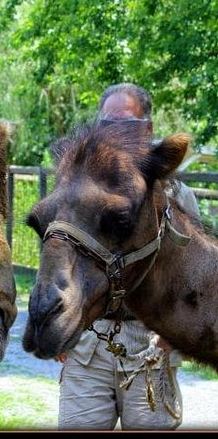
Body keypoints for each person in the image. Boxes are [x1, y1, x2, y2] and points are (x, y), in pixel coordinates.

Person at [56, 83, 201, 431]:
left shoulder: (175, 196)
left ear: (147, 129)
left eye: (127, 124)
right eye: (108, 123)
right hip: (88, 346)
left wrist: (171, 337)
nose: (115, 132)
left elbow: (194, 276)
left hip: (151, 349)